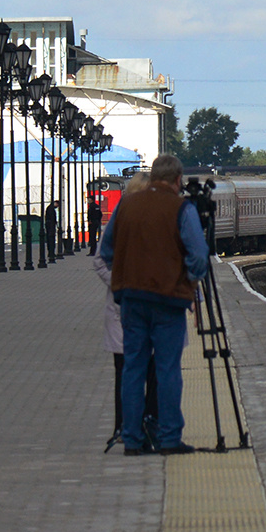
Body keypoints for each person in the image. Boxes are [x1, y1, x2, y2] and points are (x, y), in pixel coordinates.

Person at [98, 155, 209, 456]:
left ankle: (132, 439)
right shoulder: (181, 208)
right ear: (177, 180)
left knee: (133, 368)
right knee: (167, 368)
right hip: (168, 299)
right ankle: (169, 438)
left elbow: (106, 250)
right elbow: (199, 255)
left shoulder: (127, 205)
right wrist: (188, 279)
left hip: (131, 299)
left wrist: (125, 274)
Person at [97, 175, 157, 450]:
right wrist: (122, 283)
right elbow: (99, 261)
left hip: (152, 308)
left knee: (153, 371)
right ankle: (124, 426)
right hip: (123, 308)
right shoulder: (116, 225)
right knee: (124, 371)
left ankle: (150, 422)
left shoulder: (160, 223)